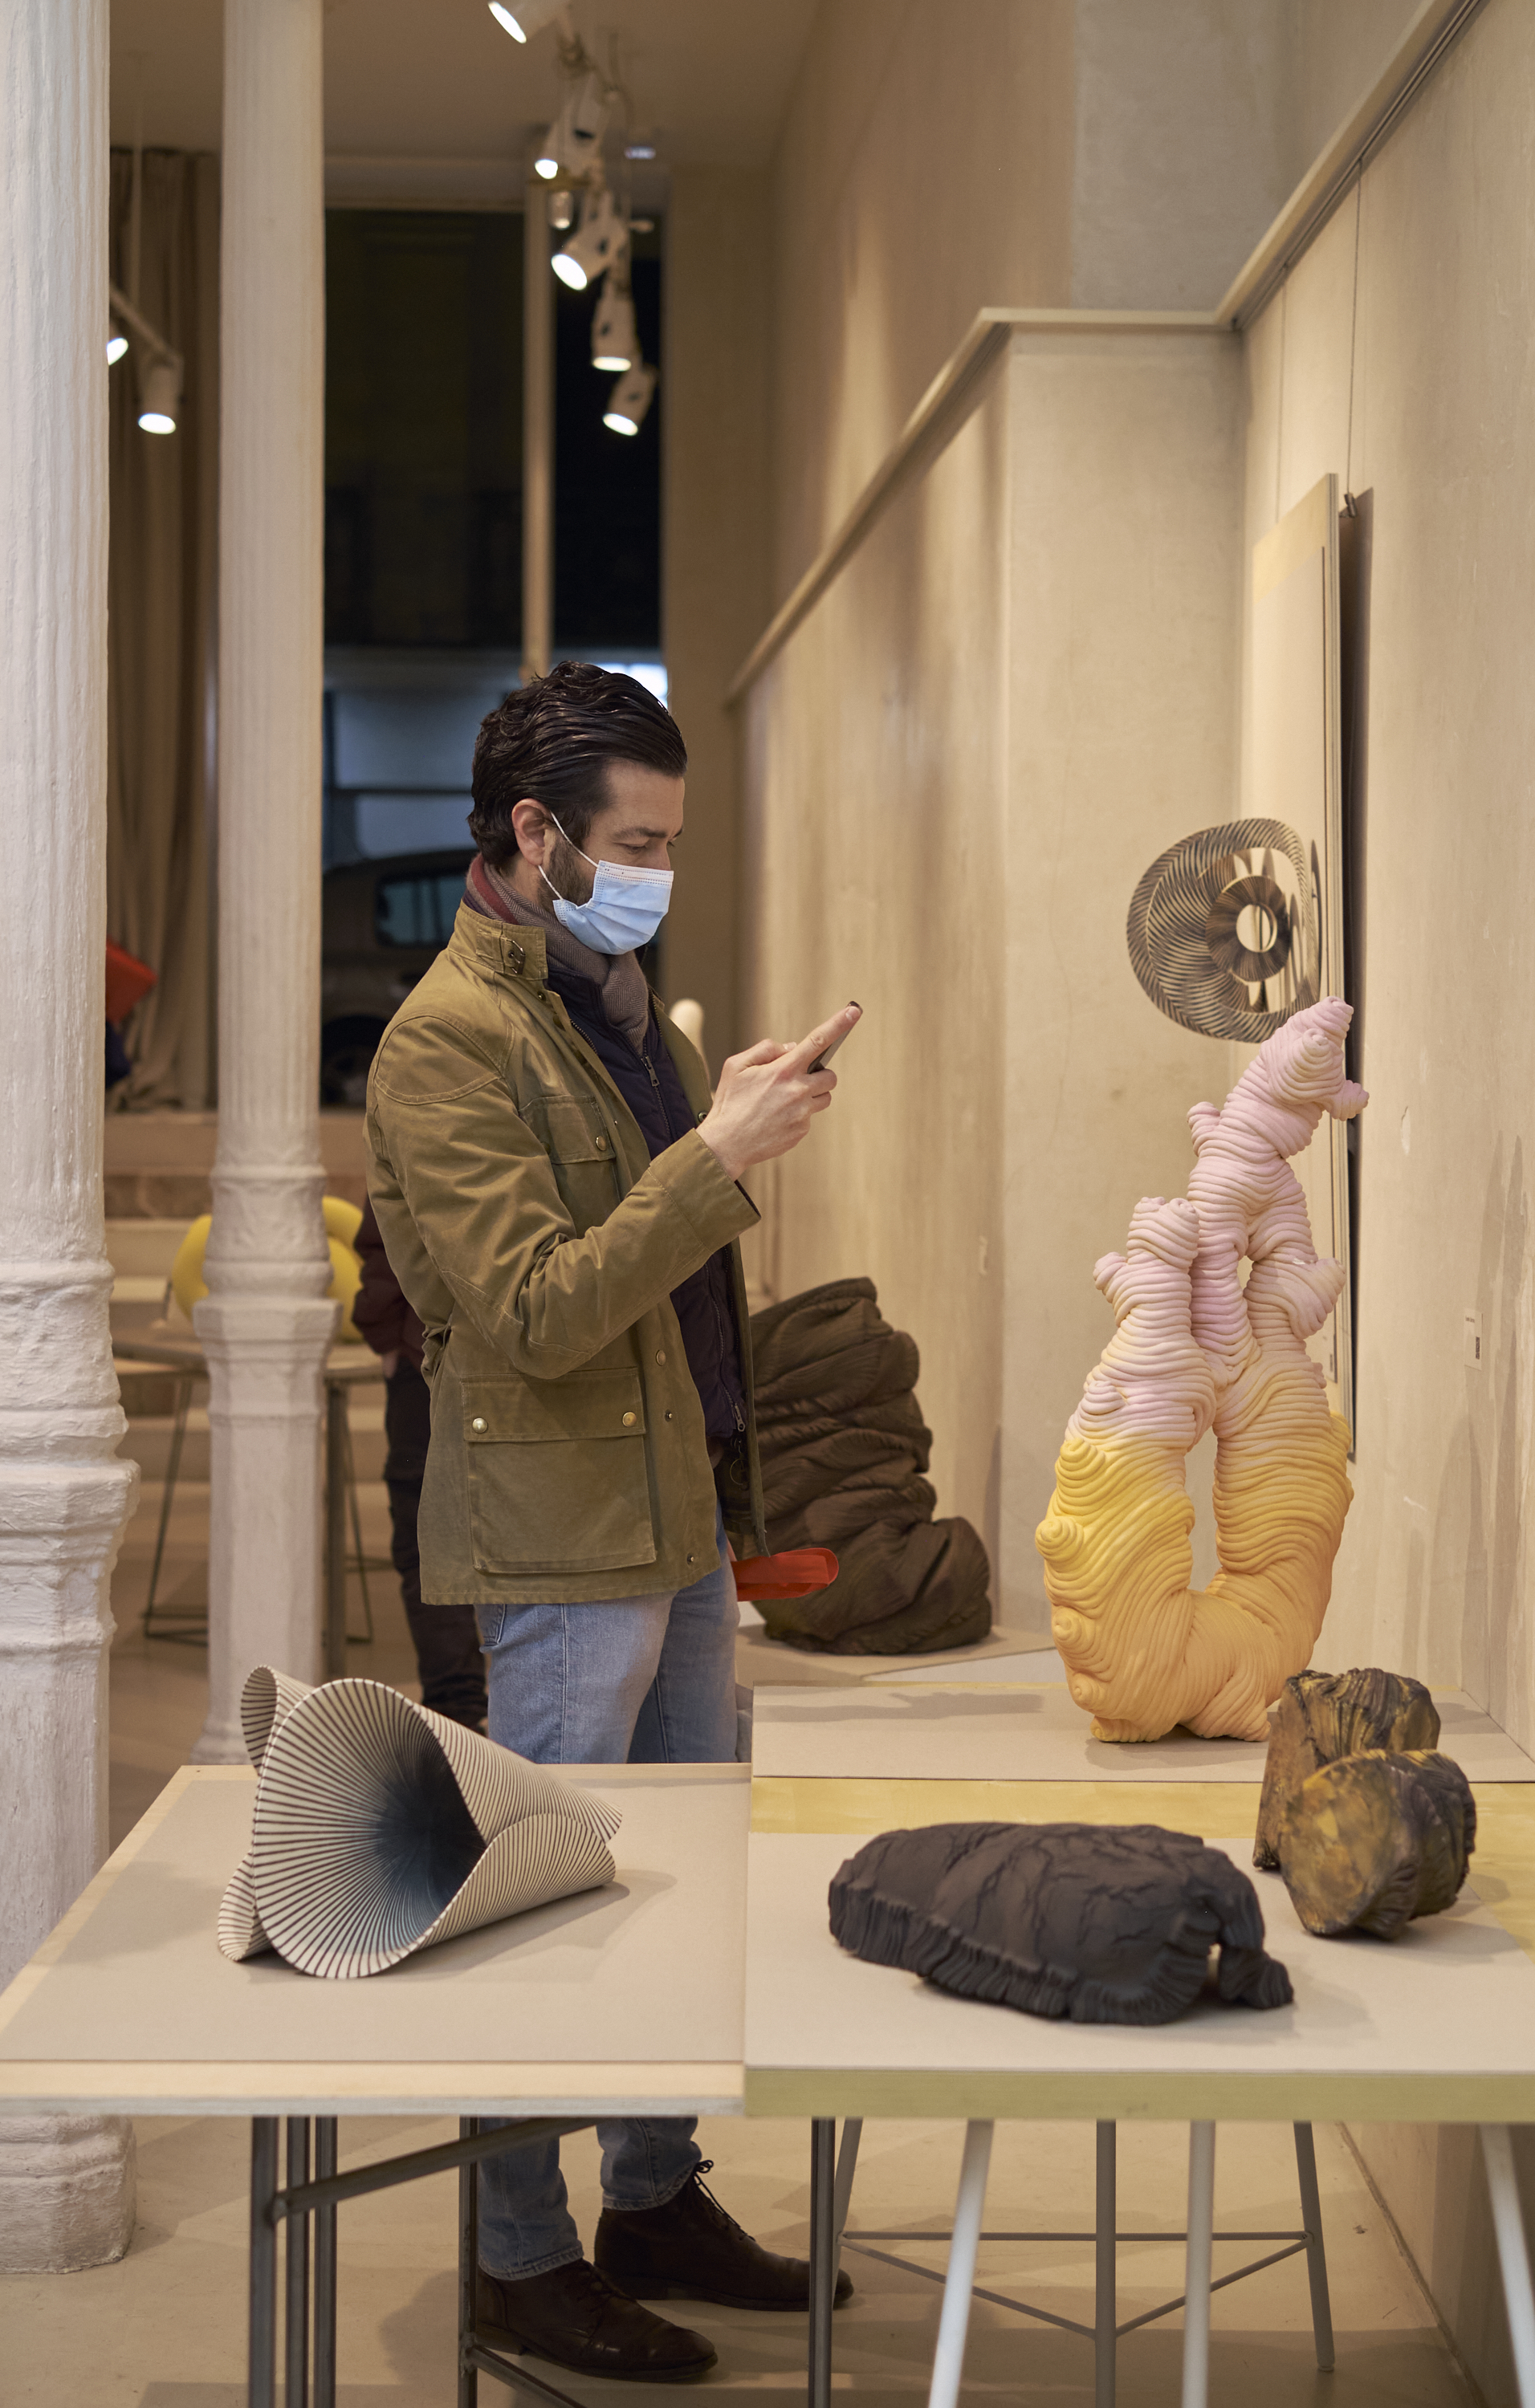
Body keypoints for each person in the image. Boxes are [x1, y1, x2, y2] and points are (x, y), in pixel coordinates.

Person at [364, 661, 859, 2383]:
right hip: (561, 1533)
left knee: (678, 1890)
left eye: (669, 843)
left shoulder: (620, 1005)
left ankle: (653, 2197)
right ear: (535, 833)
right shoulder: (447, 1040)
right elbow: (533, 1309)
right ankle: (520, 2255)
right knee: (549, 1902)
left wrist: (723, 1124)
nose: (657, 871)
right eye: (635, 843)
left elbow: (671, 1275)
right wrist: (718, 1156)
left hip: (678, 1505)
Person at [351, 1199, 489, 1728]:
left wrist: (386, 1329)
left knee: (427, 1538)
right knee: (434, 1537)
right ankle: (462, 1710)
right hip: (447, 1345)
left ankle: (458, 1712)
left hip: (431, 1344)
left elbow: (387, 1227)